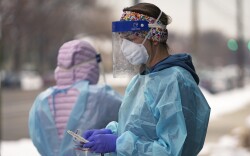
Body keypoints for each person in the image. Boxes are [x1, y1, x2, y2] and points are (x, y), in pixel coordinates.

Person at [82, 3, 211, 156]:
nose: (125, 45)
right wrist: (111, 132)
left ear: (154, 37)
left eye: (131, 37)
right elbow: (139, 126)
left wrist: (119, 144)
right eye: (122, 38)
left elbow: (171, 150)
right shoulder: (141, 79)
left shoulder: (174, 81)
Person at [28, 40, 122, 156]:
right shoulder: (102, 95)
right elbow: (130, 120)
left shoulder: (41, 101)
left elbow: (38, 139)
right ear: (92, 65)